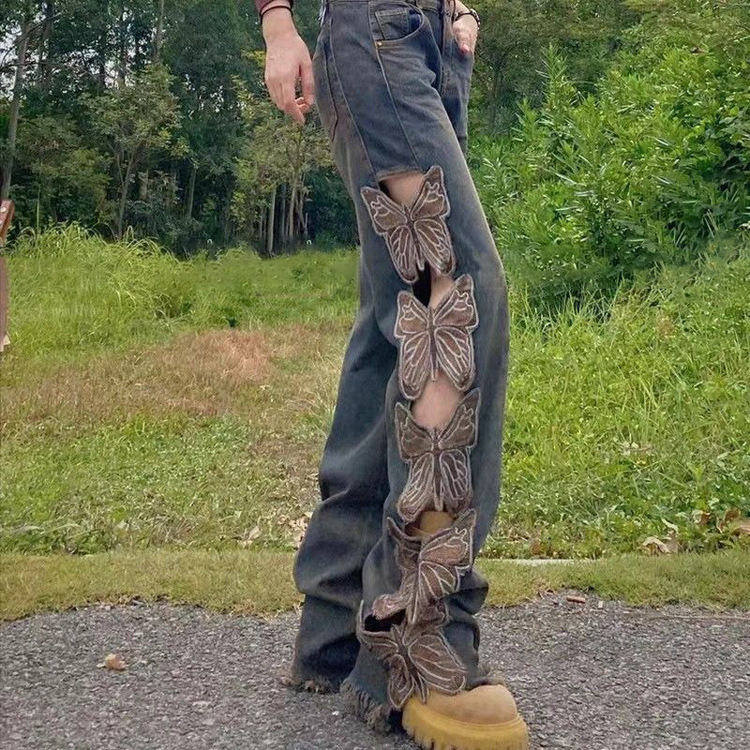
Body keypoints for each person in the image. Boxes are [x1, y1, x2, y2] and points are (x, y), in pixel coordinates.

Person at [257, 0, 530, 747]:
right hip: (377, 35)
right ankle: (417, 633)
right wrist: (277, 21)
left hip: (433, 42)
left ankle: (337, 624)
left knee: (400, 315)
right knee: (454, 294)